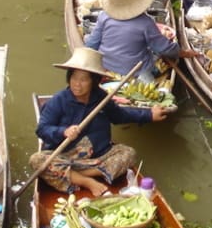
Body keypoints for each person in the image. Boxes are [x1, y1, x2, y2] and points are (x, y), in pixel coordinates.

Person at [30, 47, 168, 196]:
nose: (77, 84)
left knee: (129, 154)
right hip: (65, 157)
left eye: (83, 80)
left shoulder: (101, 98)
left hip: (97, 158)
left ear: (94, 81)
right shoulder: (58, 101)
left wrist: (148, 115)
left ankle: (75, 175)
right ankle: (87, 182)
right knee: (37, 160)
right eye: (74, 78)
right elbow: (42, 129)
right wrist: (63, 131)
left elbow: (119, 115)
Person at [85, 0, 195, 81]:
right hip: (136, 71)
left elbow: (91, 43)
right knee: (155, 56)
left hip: (107, 66)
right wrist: (184, 53)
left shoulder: (104, 16)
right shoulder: (145, 23)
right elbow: (164, 48)